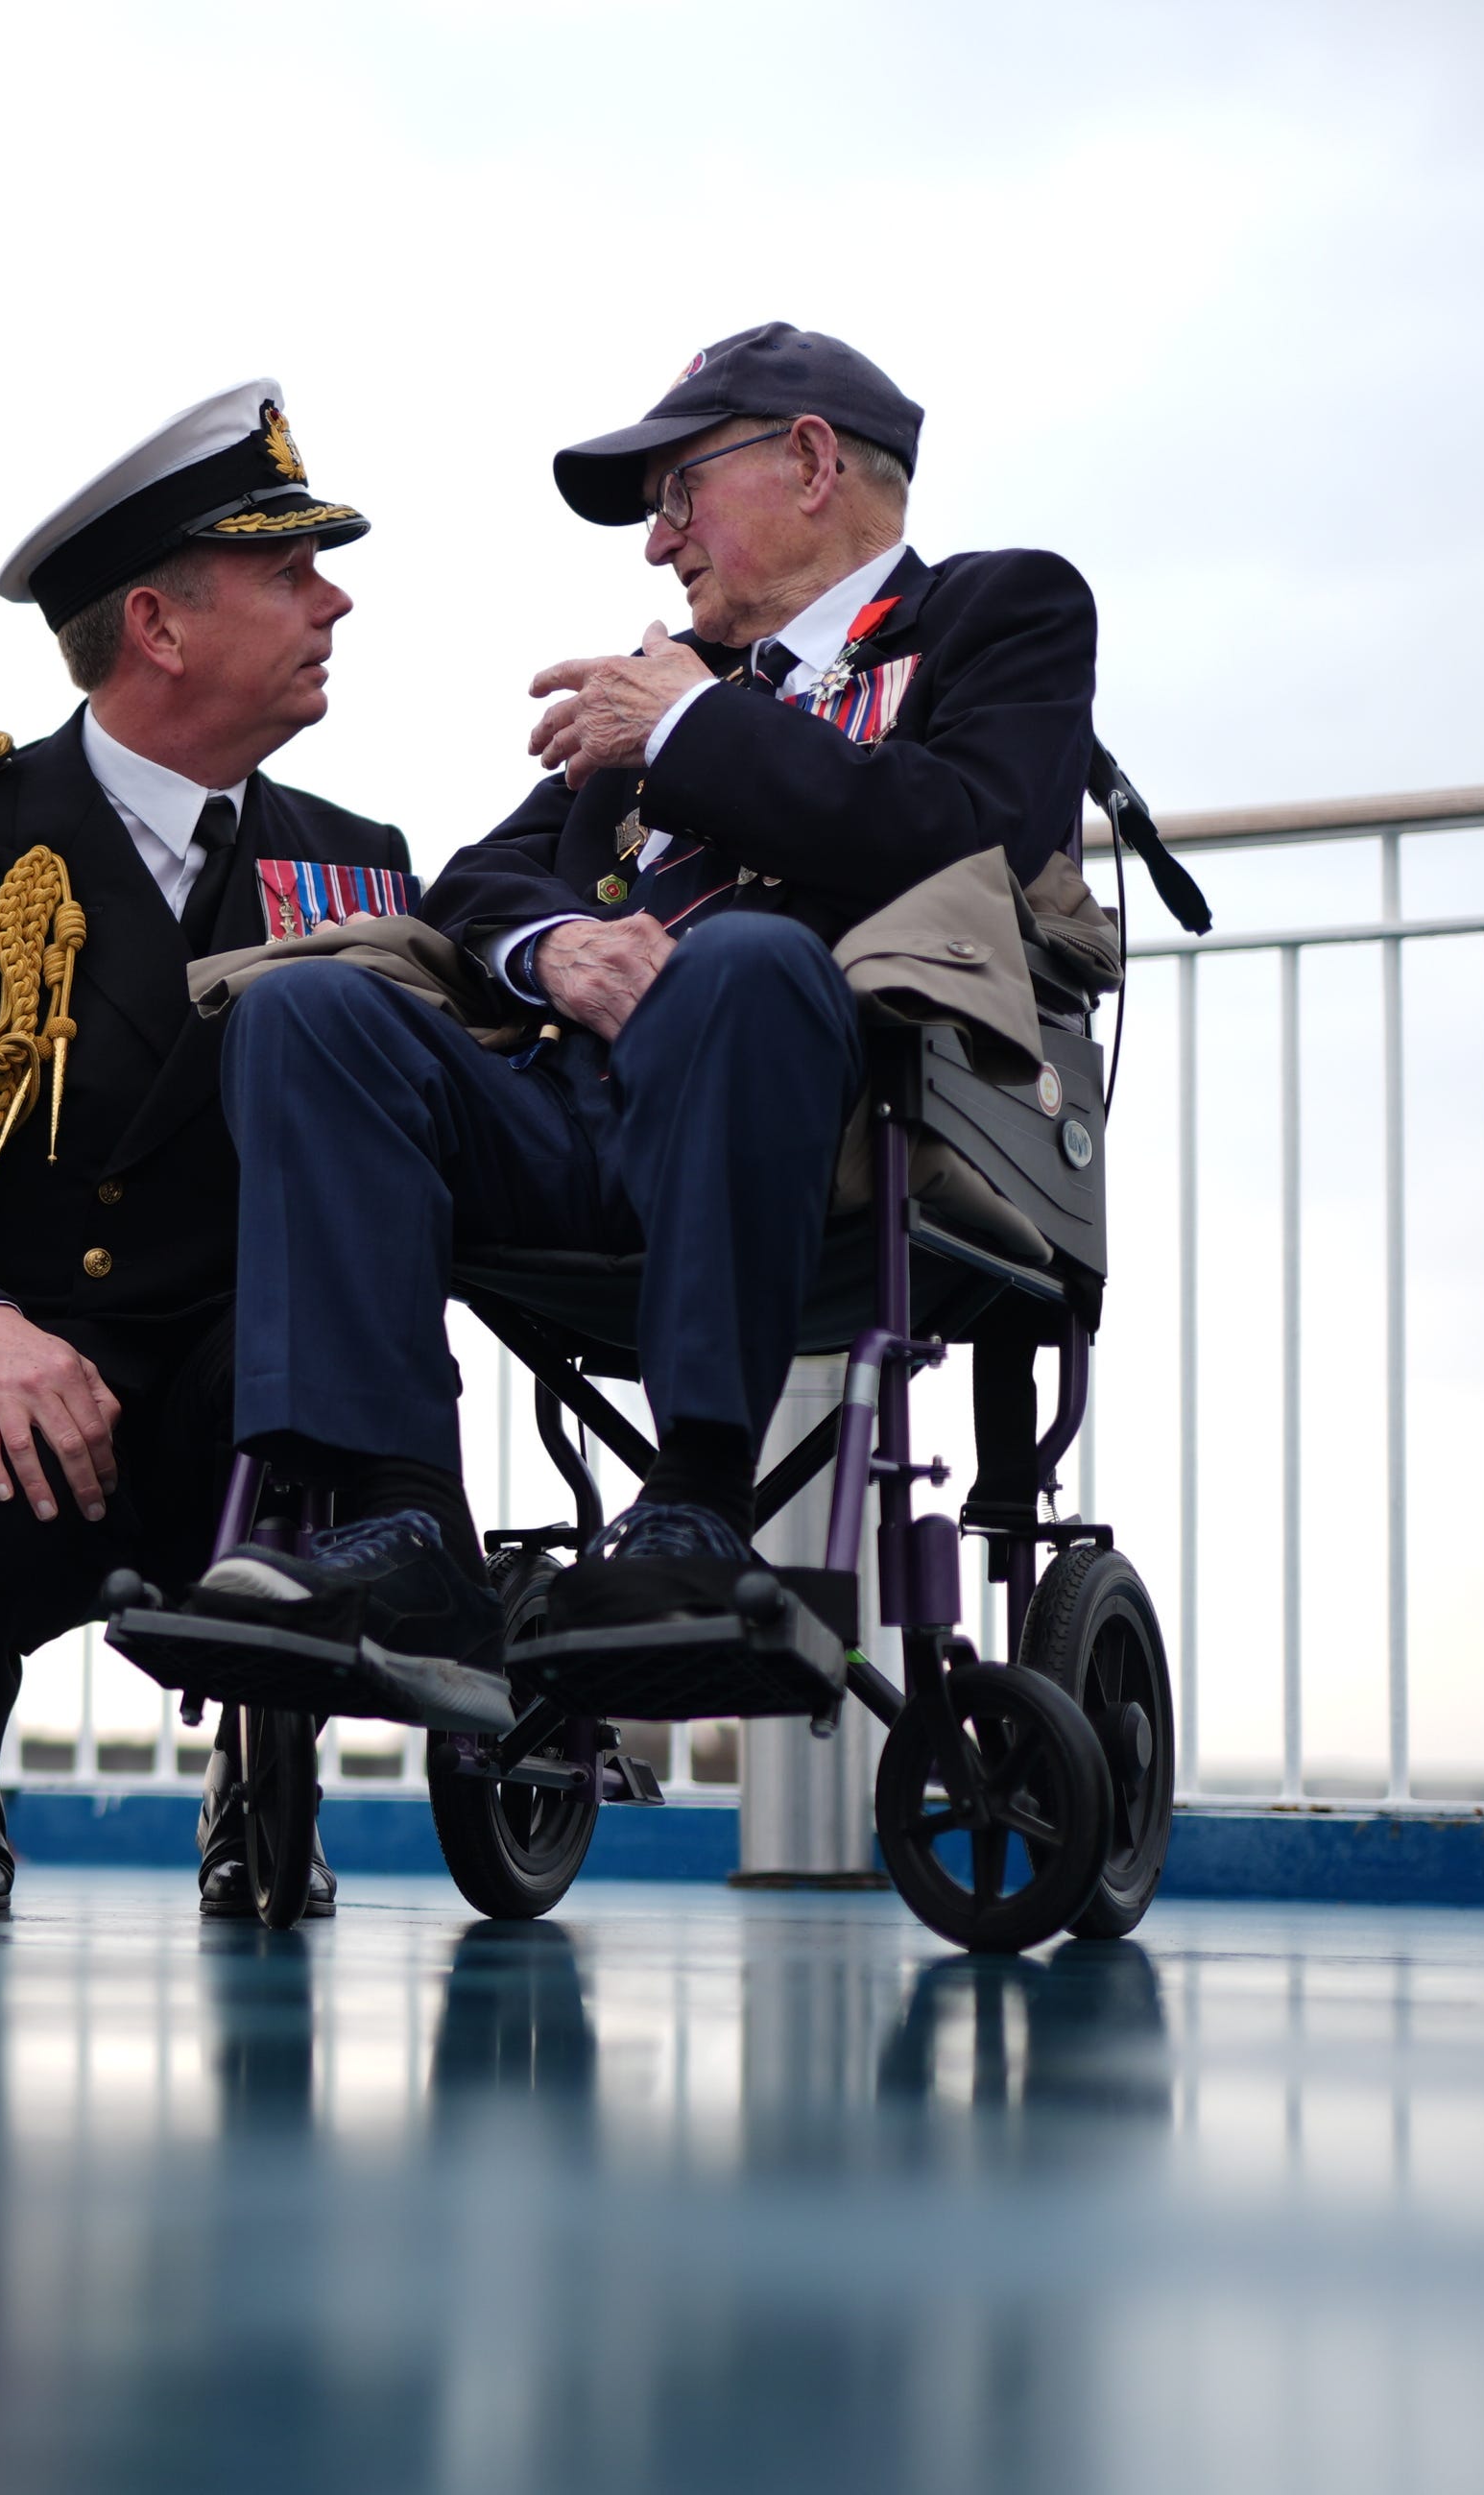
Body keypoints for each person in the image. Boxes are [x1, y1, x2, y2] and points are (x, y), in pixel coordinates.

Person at [203, 322, 1097, 1637]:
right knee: (307, 1008)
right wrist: (557, 947)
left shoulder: (994, 614)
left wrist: (692, 727)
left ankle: (692, 1503)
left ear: (807, 462)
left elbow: (970, 827)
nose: (657, 541)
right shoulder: (665, 685)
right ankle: (397, 1517)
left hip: (839, 1138)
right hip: (574, 1127)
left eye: (679, 491)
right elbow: (476, 880)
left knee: (741, 961)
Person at [0, 382, 413, 1914]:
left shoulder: (355, 865)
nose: (336, 599)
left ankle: (273, 1765)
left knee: (310, 1413)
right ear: (161, 628)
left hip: (234, 1376)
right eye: (288, 573)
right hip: (7, 1359)